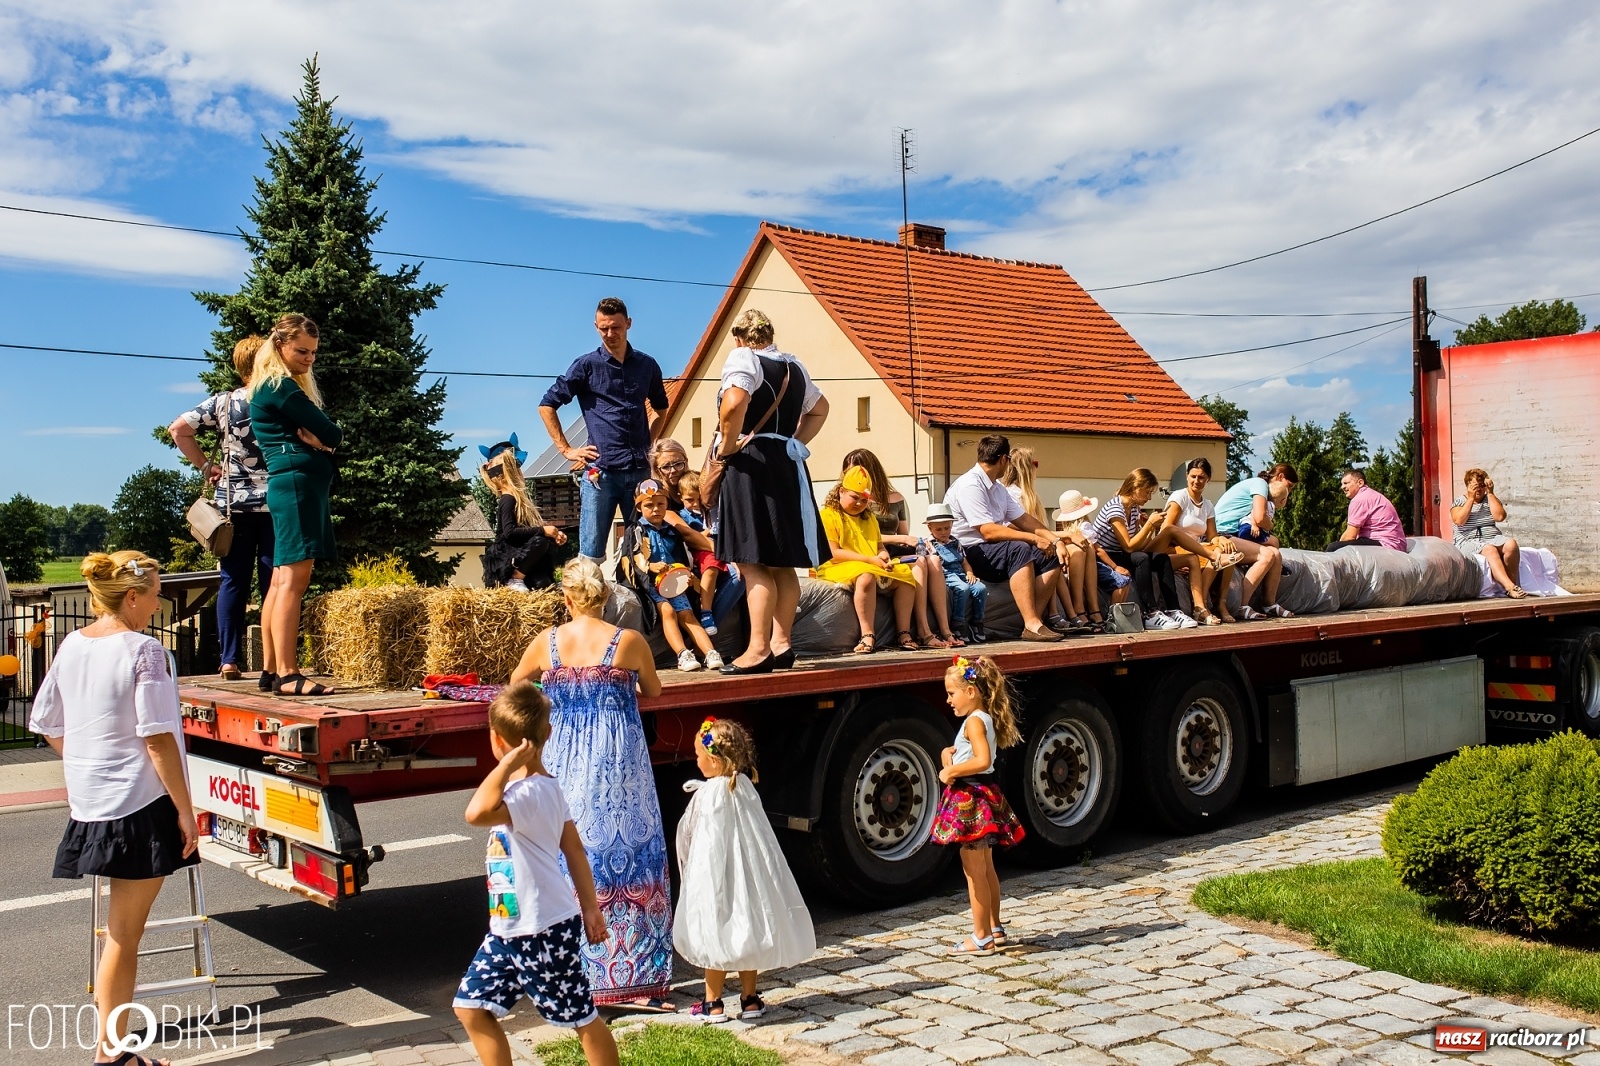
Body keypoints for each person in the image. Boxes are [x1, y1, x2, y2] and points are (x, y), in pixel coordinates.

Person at [29, 551, 201, 1064]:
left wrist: (89, 761)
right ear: (132, 596)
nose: (158, 604)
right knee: (124, 937)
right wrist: (185, 810)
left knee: (118, 935)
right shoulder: (145, 651)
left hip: (92, 804)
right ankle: (112, 1055)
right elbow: (157, 739)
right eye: (155, 595)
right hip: (140, 805)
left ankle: (115, 1052)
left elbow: (47, 722)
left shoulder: (71, 645)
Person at [508, 558, 676, 1011]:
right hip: (618, 763)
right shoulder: (629, 641)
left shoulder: (548, 643)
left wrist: (549, 703)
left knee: (568, 853)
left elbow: (516, 683)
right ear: (606, 597)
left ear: (565, 598)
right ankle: (634, 978)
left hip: (564, 758)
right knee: (629, 857)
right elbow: (655, 692)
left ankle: (570, 973)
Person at [454, 682, 620, 1066]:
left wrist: (506, 765)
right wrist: (591, 908)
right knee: (471, 1007)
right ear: (548, 733)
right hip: (509, 929)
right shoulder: (543, 788)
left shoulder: (525, 795)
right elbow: (573, 849)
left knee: (581, 1016)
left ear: (495, 740)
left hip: (541, 929)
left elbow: (475, 814)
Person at [709, 309, 830, 674]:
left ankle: (757, 649)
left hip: (752, 463)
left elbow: (733, 402)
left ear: (739, 338)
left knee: (752, 560)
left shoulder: (742, 358)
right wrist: (793, 442)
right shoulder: (794, 367)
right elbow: (821, 409)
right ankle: (781, 643)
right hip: (786, 463)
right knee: (780, 562)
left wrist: (727, 445)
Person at [676, 717, 815, 1022]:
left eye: (699, 755)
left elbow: (691, 834)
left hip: (716, 876)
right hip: (748, 874)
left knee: (716, 931)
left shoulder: (707, 793)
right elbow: (760, 834)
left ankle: (712, 1003)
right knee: (748, 928)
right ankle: (749, 999)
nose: (696, 761)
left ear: (713, 759)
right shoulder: (746, 787)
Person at [248, 313, 343, 697]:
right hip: (297, 484)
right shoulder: (282, 388)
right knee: (293, 581)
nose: (309, 359)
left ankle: (272, 669)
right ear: (280, 346)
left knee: (279, 579)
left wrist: (321, 445)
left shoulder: (265, 387)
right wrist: (323, 444)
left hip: (289, 484)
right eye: (302, 350)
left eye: (314, 352)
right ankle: (289, 673)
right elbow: (332, 431)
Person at [169, 335, 272, 681]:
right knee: (274, 582)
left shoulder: (224, 403)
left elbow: (178, 429)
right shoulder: (278, 400)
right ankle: (272, 662)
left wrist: (205, 466)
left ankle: (229, 659)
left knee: (232, 580)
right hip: (274, 504)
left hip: (233, 508)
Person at [540, 297, 671, 561]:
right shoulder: (586, 366)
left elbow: (661, 409)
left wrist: (650, 443)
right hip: (600, 473)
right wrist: (565, 449)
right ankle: (587, 602)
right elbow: (547, 406)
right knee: (590, 554)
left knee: (645, 551)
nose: (610, 334)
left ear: (628, 324)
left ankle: (637, 602)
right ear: (596, 326)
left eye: (616, 327)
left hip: (639, 473)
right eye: (603, 328)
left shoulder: (647, 365)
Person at [932, 655, 1025, 957]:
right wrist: (950, 757)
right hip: (981, 792)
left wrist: (950, 771)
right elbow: (972, 757)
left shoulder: (974, 721)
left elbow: (983, 761)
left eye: (951, 693)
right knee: (986, 869)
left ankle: (981, 936)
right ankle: (995, 927)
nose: (948, 700)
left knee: (974, 873)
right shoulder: (982, 719)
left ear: (970, 692)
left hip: (970, 799)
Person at [943, 435, 1067, 642]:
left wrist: (1055, 541)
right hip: (967, 552)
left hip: (989, 548)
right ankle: (1031, 623)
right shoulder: (970, 485)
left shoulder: (998, 488)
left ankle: (1032, 622)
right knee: (1020, 548)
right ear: (1003, 459)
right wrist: (1034, 539)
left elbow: (1024, 520)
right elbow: (988, 531)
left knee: (1050, 556)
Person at [1084, 469, 1233, 630]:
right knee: (1142, 558)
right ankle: (1151, 613)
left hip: (1123, 553)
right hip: (1109, 556)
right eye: (1147, 493)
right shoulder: (1115, 509)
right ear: (1136, 488)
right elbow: (1128, 546)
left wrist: (1147, 528)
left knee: (1162, 559)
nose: (1149, 498)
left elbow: (1137, 545)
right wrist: (1148, 526)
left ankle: (1174, 609)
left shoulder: (1133, 509)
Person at [844, 448, 949, 648]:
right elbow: (865, 536)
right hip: (873, 551)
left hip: (892, 549)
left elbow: (903, 531)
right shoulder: (857, 501)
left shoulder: (896, 498)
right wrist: (901, 538)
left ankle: (944, 630)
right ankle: (924, 631)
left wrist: (909, 540)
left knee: (933, 560)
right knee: (918, 563)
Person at [814, 466, 920, 654]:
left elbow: (878, 546)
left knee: (905, 576)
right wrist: (870, 560)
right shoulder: (827, 515)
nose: (859, 504)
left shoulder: (869, 517)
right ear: (841, 491)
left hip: (870, 563)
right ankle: (867, 634)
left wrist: (882, 554)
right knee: (866, 577)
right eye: (854, 498)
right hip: (836, 565)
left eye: (864, 501)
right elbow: (833, 553)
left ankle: (904, 633)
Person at [631, 478, 722, 671]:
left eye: (660, 504)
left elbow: (685, 557)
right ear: (639, 507)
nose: (655, 509)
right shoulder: (636, 531)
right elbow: (631, 558)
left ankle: (710, 652)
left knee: (688, 614)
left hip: (674, 583)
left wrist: (689, 576)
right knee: (668, 611)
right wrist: (649, 566)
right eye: (649, 505)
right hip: (651, 586)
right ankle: (683, 654)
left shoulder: (672, 531)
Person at [1212, 464, 1298, 620]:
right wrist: (1271, 525)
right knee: (1266, 555)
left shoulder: (1259, 486)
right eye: (1290, 486)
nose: (1289, 493)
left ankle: (1269, 603)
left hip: (1234, 533)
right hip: (1222, 535)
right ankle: (1241, 605)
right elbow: (1259, 518)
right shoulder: (1260, 485)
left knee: (1275, 554)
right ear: (1279, 477)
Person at [480, 445, 567, 591]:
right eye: (518, 469)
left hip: (521, 556)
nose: (522, 473)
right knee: (540, 540)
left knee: (543, 584)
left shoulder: (518, 501)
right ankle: (515, 578)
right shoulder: (507, 499)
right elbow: (509, 533)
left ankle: (525, 577)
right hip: (508, 558)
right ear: (511, 473)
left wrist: (554, 534)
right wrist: (543, 531)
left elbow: (528, 531)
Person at [1162, 458, 1235, 626]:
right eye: (1193, 476)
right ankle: (1201, 607)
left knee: (1228, 551)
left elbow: (1212, 536)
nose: (1196, 481)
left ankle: (1221, 603)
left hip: (1197, 548)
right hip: (1174, 548)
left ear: (1207, 479)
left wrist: (1221, 539)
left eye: (1201, 477)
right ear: (1187, 476)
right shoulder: (1179, 497)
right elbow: (1167, 530)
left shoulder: (1208, 505)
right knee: (1215, 555)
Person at [1451, 468, 1528, 597]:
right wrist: (1470, 499)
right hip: (1468, 540)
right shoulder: (1460, 501)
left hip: (1492, 536)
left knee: (1511, 544)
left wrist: (1491, 493)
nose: (1479, 490)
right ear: (1468, 486)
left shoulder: (1489, 499)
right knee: (1489, 549)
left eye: (1482, 486)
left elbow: (1500, 517)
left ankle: (1512, 585)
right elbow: (1459, 520)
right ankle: (1509, 587)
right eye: (1475, 486)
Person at [676, 472, 728, 633]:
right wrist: (707, 532)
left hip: (718, 549)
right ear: (680, 498)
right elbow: (689, 538)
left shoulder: (712, 512)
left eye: (699, 499)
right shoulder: (683, 516)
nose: (696, 504)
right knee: (711, 565)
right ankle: (706, 611)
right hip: (698, 552)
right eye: (690, 500)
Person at [1056, 489, 1112, 629]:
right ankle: (1091, 609)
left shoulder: (1070, 530)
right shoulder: (1086, 526)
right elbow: (1098, 548)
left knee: (1088, 550)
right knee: (1086, 550)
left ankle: (1085, 608)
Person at [924, 504, 976, 645]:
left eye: (947, 528)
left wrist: (970, 572)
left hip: (959, 573)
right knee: (963, 588)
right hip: (944, 575)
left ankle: (977, 623)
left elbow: (964, 562)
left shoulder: (955, 542)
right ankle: (958, 623)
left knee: (980, 589)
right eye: (939, 529)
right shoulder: (928, 544)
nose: (943, 532)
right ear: (930, 528)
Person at [1326, 468, 1407, 553]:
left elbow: (1350, 536)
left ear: (1360, 483)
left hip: (1386, 544)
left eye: (1346, 483)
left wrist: (1337, 547)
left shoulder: (1360, 499)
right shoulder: (1371, 495)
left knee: (1333, 548)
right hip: (1396, 544)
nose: (1342, 487)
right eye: (1342, 484)